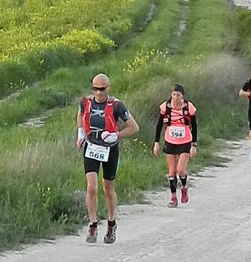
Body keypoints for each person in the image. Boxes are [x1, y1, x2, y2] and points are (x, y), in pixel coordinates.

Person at [76, 73, 139, 243]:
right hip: (91, 147)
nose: (98, 92)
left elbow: (134, 127)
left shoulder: (117, 105)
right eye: (95, 89)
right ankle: (92, 224)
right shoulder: (86, 102)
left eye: (102, 89)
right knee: (91, 187)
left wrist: (116, 135)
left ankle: (111, 223)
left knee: (108, 189)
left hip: (109, 150)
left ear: (108, 88)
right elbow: (81, 114)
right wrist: (81, 132)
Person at [153, 84, 197, 207]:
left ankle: (183, 187)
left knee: (180, 169)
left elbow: (194, 126)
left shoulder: (189, 107)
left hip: (185, 141)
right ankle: (173, 197)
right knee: (172, 171)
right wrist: (156, 143)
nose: (175, 97)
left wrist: (194, 145)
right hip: (170, 140)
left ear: (182, 96)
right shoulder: (165, 107)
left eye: (178, 95)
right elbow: (159, 125)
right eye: (173, 94)